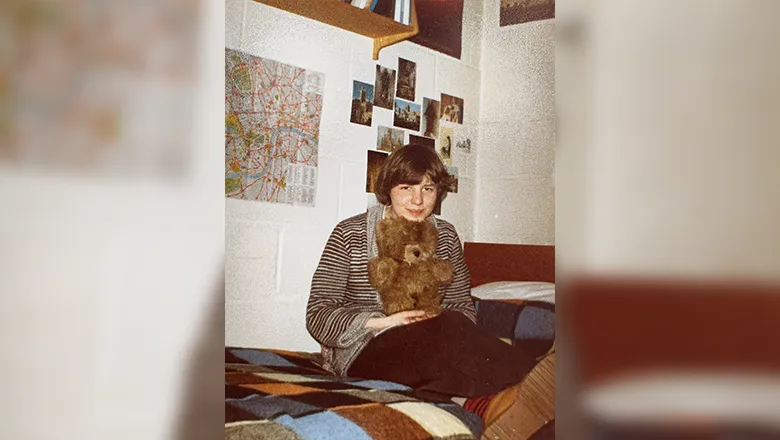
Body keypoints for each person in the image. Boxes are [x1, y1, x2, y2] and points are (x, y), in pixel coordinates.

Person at [306, 144, 544, 426]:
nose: (418, 200)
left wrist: (434, 321)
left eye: (428, 189)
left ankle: (510, 396)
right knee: (446, 336)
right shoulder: (350, 234)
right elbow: (317, 313)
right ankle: (539, 381)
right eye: (407, 187)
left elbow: (460, 305)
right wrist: (384, 322)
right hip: (366, 347)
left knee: (448, 331)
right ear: (389, 188)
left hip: (432, 342)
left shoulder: (446, 236)